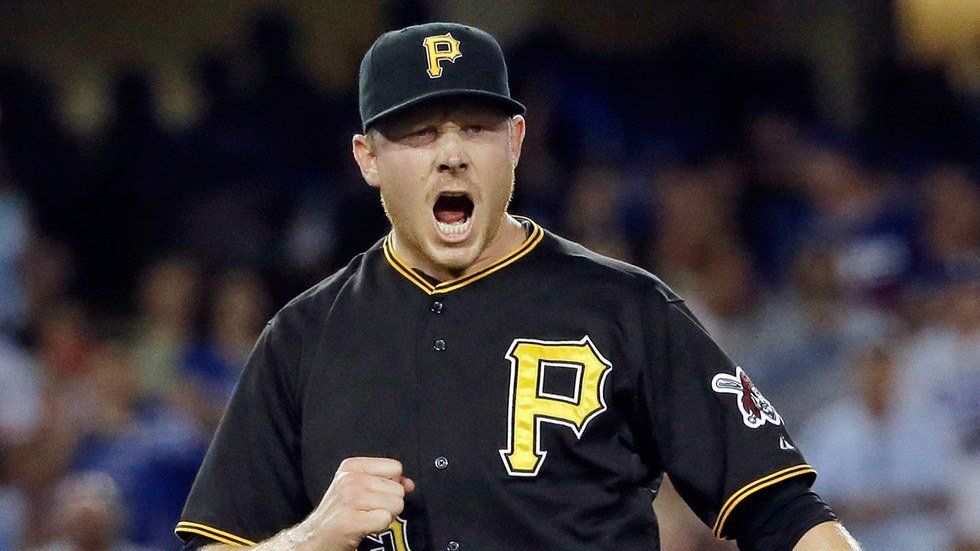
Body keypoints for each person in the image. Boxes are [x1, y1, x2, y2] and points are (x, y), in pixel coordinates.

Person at [176, 22, 860, 550]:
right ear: (368, 158)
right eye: (419, 133)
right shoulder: (303, 338)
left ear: (515, 142)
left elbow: (786, 515)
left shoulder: (624, 308)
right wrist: (309, 537)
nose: (451, 153)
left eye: (475, 128)